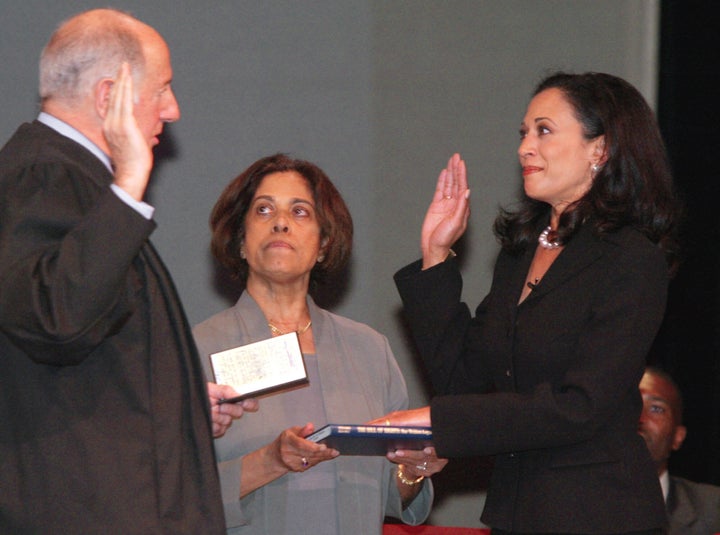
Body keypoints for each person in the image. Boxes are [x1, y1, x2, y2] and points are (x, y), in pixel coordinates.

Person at [374, 72, 680, 534]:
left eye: (544, 130)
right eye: (523, 133)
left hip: (601, 515)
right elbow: (464, 382)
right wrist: (436, 256)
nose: (524, 148)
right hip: (517, 514)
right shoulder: (519, 256)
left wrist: (436, 419)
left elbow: (581, 406)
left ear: (601, 148)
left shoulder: (633, 260)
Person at [0, 9, 253, 533]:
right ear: (108, 96)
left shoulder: (66, 178)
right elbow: (56, 316)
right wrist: (130, 182)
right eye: (162, 89)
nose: (174, 109)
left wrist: (175, 402)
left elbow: (78, 342)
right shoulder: (43, 172)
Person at [192, 153, 447, 534]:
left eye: (300, 212)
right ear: (241, 242)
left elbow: (390, 496)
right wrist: (272, 460)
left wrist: (413, 471)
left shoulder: (368, 350)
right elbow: (169, 493)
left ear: (324, 245)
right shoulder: (197, 351)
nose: (280, 222)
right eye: (263, 210)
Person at [639, 366, 720, 534]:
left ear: (678, 436)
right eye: (630, 407)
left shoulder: (714, 510)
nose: (640, 418)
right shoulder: (575, 503)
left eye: (656, 408)